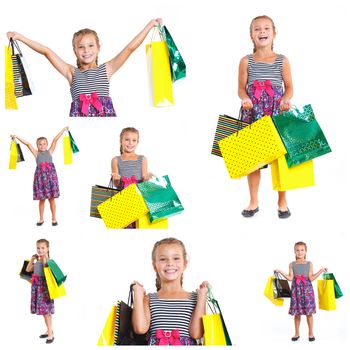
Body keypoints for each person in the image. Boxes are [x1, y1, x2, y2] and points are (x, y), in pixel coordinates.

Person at [7, 19, 162, 117]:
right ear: (75, 51)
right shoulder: (71, 72)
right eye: (81, 47)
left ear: (98, 47)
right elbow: (46, 52)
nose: (86, 51)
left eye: (90, 45)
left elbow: (129, 48)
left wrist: (150, 25)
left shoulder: (107, 69)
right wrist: (20, 37)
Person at [238, 15, 293, 218]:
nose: (262, 32)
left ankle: (282, 201)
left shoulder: (282, 61)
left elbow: (289, 88)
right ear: (251, 35)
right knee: (254, 159)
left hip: (277, 112)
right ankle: (253, 201)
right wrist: (245, 99)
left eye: (266, 28)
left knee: (280, 157)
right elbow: (240, 89)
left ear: (274, 33)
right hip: (253, 113)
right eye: (257, 29)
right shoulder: (246, 61)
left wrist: (286, 100)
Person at [132, 238, 209, 345]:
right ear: (155, 266)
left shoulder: (195, 298)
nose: (170, 263)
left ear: (185, 264)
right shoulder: (149, 299)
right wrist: (137, 294)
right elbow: (139, 329)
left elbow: (197, 334)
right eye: (163, 259)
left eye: (176, 258)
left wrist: (202, 298)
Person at [11, 127, 68, 225]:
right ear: (37, 145)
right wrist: (16, 137)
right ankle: (41, 219)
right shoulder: (36, 153)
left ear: (47, 144)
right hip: (41, 180)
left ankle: (54, 218)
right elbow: (28, 144)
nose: (42, 146)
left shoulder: (50, 152)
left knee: (51, 199)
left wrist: (63, 130)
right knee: (42, 200)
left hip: (51, 179)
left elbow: (55, 139)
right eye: (40, 144)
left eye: (44, 144)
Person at [275, 241, 327, 342]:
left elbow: (311, 278)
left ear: (306, 251)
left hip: (307, 291)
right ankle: (297, 333)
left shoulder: (309, 263)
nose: (300, 252)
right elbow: (290, 278)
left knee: (309, 313)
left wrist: (321, 270)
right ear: (294, 252)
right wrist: (280, 271)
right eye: (297, 250)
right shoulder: (292, 264)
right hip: (296, 291)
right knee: (297, 314)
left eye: (302, 250)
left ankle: (311, 333)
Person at [111, 127, 153, 228]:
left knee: (141, 224)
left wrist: (147, 178)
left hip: (140, 197)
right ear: (121, 141)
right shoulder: (116, 160)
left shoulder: (142, 159)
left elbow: (144, 182)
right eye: (127, 140)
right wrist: (116, 179)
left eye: (134, 140)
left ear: (137, 142)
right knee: (126, 225)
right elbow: (116, 185)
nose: (130, 143)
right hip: (123, 198)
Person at [26, 239, 55, 344]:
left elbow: (48, 270)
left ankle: (51, 335)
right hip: (37, 288)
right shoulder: (38, 261)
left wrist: (44, 260)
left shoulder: (48, 261)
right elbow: (28, 269)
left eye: (43, 248)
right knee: (44, 312)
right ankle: (49, 330)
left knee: (46, 312)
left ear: (47, 249)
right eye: (38, 248)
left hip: (44, 289)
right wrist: (32, 259)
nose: (40, 250)